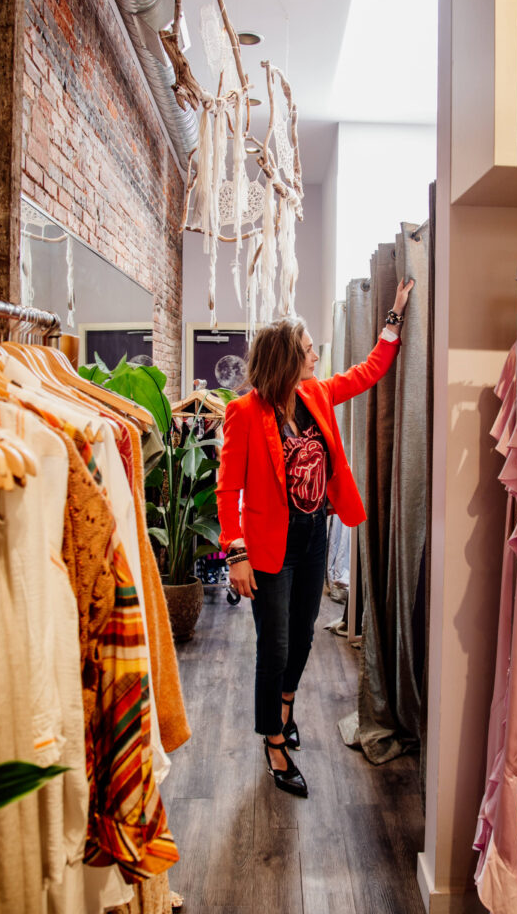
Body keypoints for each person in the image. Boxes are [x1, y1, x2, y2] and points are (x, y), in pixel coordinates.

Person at [217, 277, 414, 798]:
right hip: (267, 549)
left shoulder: (317, 395)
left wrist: (393, 318)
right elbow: (227, 490)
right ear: (284, 359)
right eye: (306, 351)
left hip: (312, 537)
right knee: (274, 645)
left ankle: (285, 706)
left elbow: (369, 372)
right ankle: (274, 741)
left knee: (302, 638)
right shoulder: (243, 414)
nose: (314, 356)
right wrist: (235, 554)